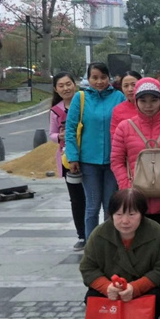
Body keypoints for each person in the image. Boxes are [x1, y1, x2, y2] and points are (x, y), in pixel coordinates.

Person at [79, 188, 160, 319]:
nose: (125, 221)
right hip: (113, 289)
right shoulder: (99, 234)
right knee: (92, 297)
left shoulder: (156, 232)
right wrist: (106, 287)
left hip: (145, 289)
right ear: (111, 214)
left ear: (142, 214)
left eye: (131, 214)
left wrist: (135, 288)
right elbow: (88, 268)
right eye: (118, 214)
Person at [111, 78, 160, 240]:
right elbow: (117, 161)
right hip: (135, 202)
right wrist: (127, 186)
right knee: (136, 244)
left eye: (153, 100)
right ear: (136, 101)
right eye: (143, 100)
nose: (148, 105)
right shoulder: (124, 127)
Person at [65, 62, 126, 240]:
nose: (99, 81)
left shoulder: (119, 97)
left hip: (113, 162)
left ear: (109, 78)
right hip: (88, 162)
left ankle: (109, 243)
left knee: (110, 206)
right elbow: (70, 129)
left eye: (103, 77)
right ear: (89, 78)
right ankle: (91, 244)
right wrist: (73, 157)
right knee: (92, 206)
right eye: (95, 77)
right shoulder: (80, 98)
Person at [49, 72, 86, 250]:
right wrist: (60, 136)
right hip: (68, 160)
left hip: (89, 156)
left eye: (68, 84)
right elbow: (51, 134)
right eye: (61, 85)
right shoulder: (56, 111)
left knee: (94, 198)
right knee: (77, 199)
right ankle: (82, 235)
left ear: (75, 84)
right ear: (56, 89)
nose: (66, 88)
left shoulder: (85, 104)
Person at [110, 70, 143, 138]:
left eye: (134, 85)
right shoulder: (118, 110)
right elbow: (114, 136)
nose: (130, 89)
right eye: (126, 86)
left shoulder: (151, 107)